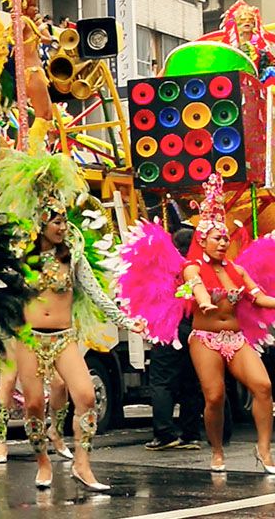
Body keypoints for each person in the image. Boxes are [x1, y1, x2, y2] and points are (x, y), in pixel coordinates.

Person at [0, 150, 144, 491]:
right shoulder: (21, 256)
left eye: (64, 221)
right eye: (57, 222)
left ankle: (82, 463)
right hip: (29, 338)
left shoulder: (73, 254)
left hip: (64, 337)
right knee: (33, 405)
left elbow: (94, 290)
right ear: (41, 225)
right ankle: (43, 461)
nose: (64, 227)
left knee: (86, 396)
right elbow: (2, 290)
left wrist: (125, 320)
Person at [118, 173, 275, 474]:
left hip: (237, 339)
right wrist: (203, 301)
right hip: (205, 338)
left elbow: (258, 297)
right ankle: (217, 451)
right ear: (202, 239)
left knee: (264, 386)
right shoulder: (192, 267)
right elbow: (197, 287)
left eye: (226, 238)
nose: (223, 242)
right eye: (217, 238)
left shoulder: (238, 269)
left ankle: (264, 451)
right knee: (214, 396)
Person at [144, 227, 203, 452]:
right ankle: (191, 434)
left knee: (161, 382)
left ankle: (165, 433)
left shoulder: (165, 267)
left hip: (169, 328)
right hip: (195, 326)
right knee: (191, 382)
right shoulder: (199, 267)